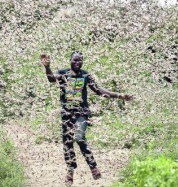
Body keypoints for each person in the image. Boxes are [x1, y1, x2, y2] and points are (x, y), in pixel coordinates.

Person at [40, 51, 132, 186]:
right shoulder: (63, 73)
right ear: (70, 60)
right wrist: (47, 66)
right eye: (75, 60)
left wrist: (119, 95)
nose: (77, 62)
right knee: (67, 143)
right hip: (66, 114)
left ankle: (93, 167)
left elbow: (99, 91)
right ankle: (70, 172)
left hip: (81, 113)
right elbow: (51, 79)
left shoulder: (86, 75)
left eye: (80, 60)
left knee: (80, 137)